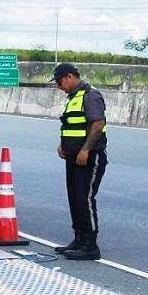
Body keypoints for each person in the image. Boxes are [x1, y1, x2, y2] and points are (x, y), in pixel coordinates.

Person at [52, 63, 108, 260]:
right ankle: (79, 239)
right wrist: (63, 144)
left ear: (69, 77)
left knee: (85, 199)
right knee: (74, 198)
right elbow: (71, 123)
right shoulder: (73, 97)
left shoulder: (90, 95)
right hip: (73, 157)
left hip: (89, 157)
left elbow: (97, 123)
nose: (58, 86)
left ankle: (90, 246)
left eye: (59, 81)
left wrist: (85, 149)